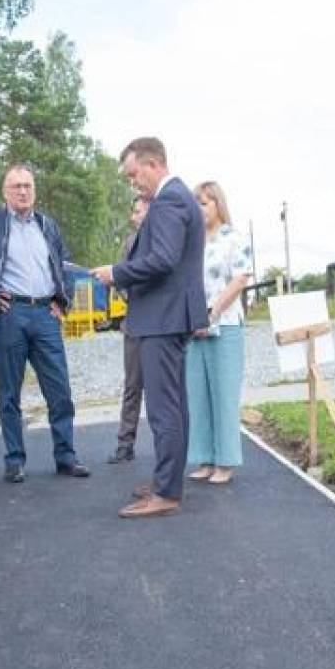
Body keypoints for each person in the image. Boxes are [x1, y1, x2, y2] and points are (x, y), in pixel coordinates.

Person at [90, 137, 207, 518]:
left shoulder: (170, 200)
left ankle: (167, 492)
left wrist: (116, 273)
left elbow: (163, 259)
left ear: (153, 164)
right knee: (172, 406)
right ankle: (166, 480)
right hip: (168, 316)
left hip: (163, 318)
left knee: (163, 409)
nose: (132, 183)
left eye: (133, 174)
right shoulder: (176, 199)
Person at [0, 163, 90, 483]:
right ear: (4, 192)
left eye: (28, 186)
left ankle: (66, 456)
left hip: (45, 316)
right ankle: (14, 460)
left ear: (34, 191)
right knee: (9, 392)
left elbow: (62, 264)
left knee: (59, 389)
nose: (23, 191)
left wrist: (63, 302)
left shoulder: (47, 226)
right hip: (10, 315)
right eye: (16, 186)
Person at [185, 182, 252, 485]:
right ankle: (205, 458)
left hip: (224, 326)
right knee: (197, 395)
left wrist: (210, 313)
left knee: (223, 396)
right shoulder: (193, 242)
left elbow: (239, 281)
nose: (199, 209)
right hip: (194, 329)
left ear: (217, 204)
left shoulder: (234, 238)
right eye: (196, 203)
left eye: (204, 203)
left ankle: (225, 461)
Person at [108, 195, 149, 464]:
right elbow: (122, 277)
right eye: (133, 212)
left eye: (137, 212)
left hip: (163, 325)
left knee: (164, 390)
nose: (133, 217)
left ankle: (170, 449)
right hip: (134, 322)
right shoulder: (130, 243)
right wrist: (123, 288)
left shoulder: (167, 238)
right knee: (132, 386)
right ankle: (125, 444)